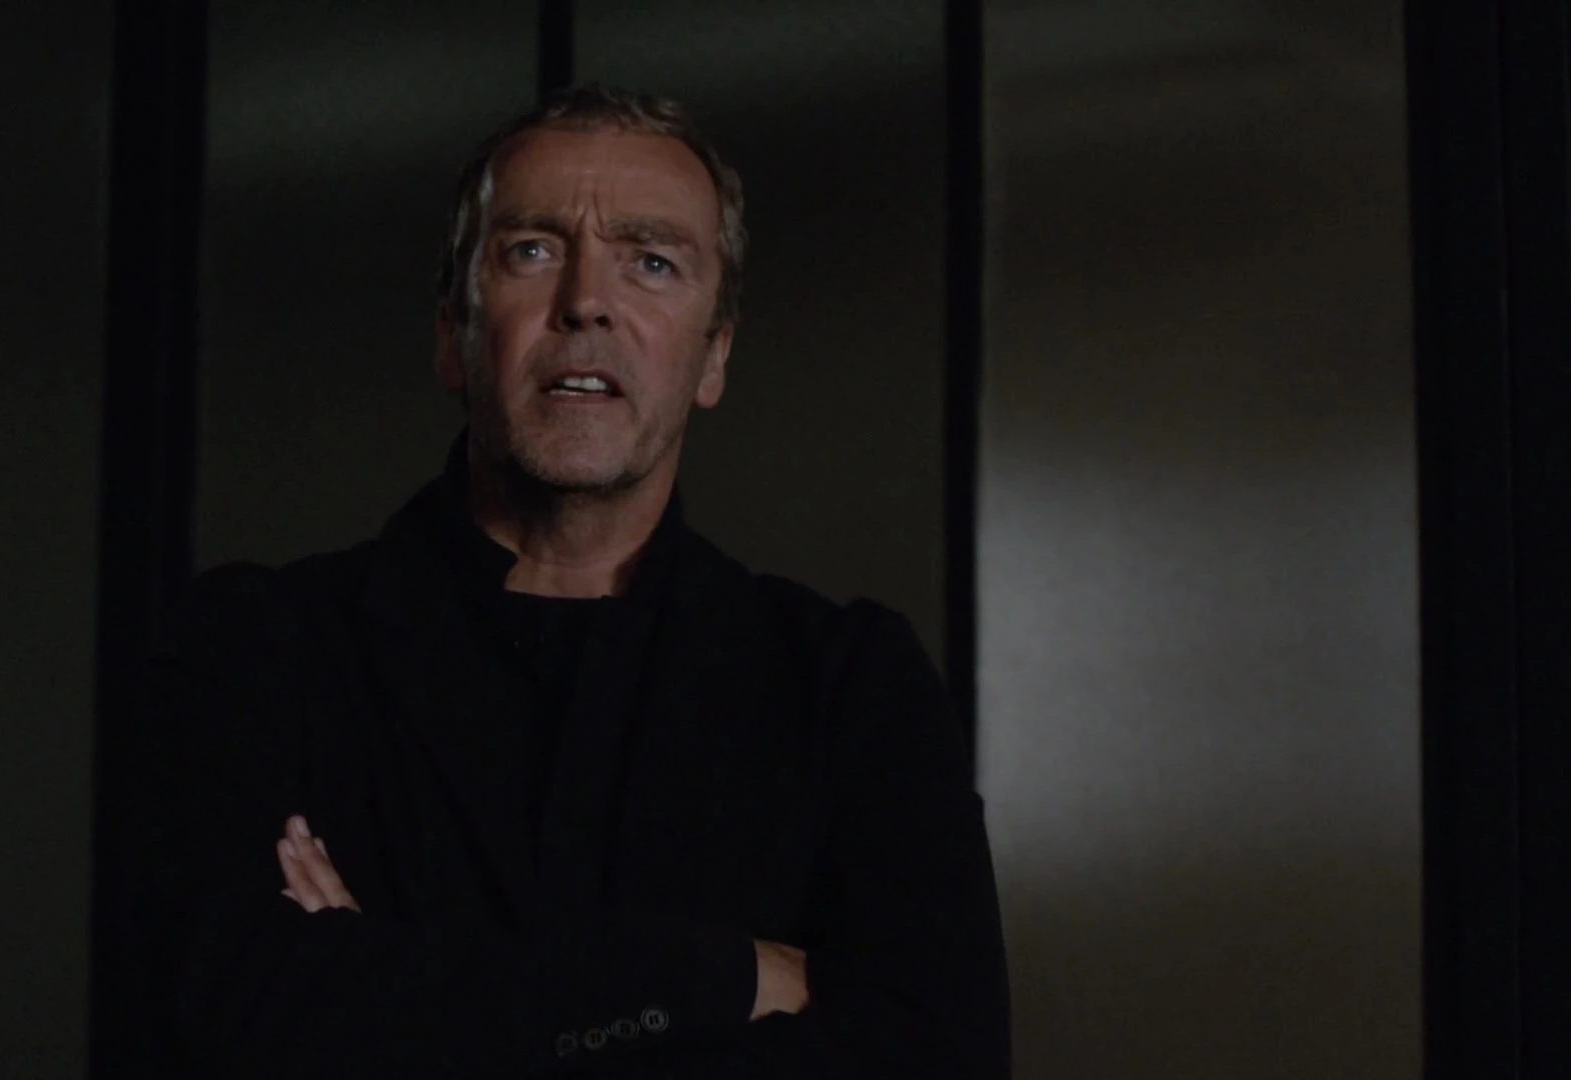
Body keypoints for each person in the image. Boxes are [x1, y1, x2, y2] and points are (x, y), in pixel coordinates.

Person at [133, 83, 1009, 1078]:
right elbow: (223, 1021)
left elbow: (941, 1058)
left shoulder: (851, 684)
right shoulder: (254, 649)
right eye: (532, 250)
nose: (586, 300)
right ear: (453, 334)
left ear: (713, 356)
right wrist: (713, 978)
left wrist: (389, 998)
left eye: (651, 261)